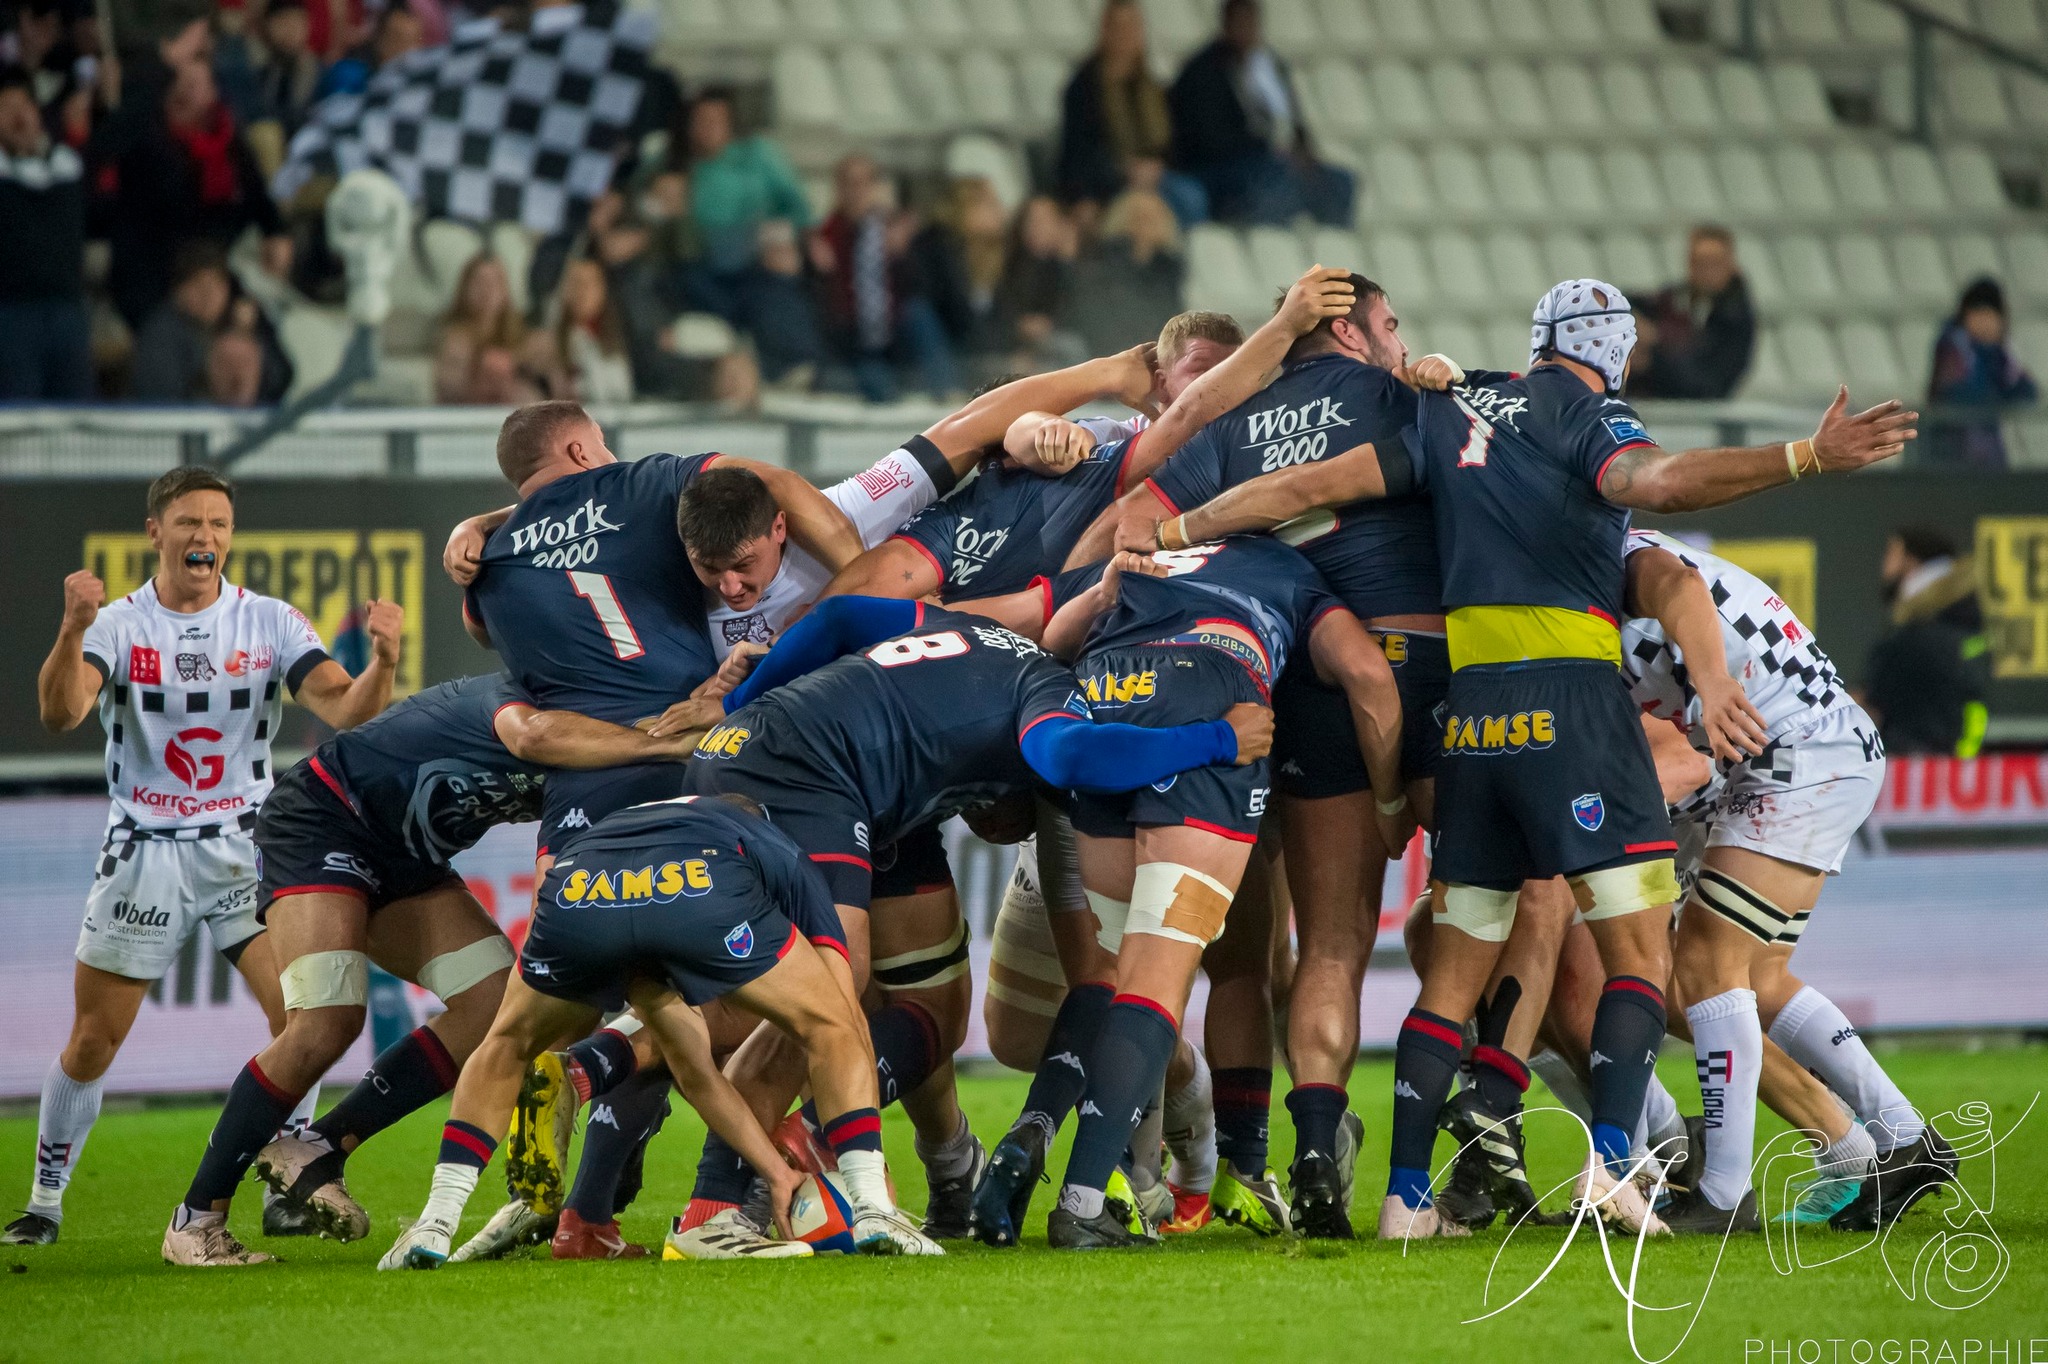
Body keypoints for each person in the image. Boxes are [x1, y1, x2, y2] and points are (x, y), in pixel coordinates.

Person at [1130, 277, 1917, 1238]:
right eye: (1391, 330)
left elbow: (1304, 486)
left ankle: (1407, 1194)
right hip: (1578, 706)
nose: (1402, 345)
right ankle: (1635, 1161)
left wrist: (1173, 532)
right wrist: (1802, 458)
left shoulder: (1452, 411)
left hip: (1467, 710)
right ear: (1618, 362)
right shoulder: (1587, 432)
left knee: (1435, 954)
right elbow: (1662, 534)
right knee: (1653, 959)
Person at [657, 593, 1272, 1256]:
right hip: (806, 776)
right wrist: (1220, 739)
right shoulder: (1048, 685)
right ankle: (742, 1208)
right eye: (998, 815)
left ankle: (671, 1152)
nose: (992, 827)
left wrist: (738, 699)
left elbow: (837, 619)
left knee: (786, 996)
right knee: (826, 999)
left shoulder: (967, 630)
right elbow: (1068, 757)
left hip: (734, 747)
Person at [159, 673, 698, 1264]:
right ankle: (196, 1219)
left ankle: (318, 1146)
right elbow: (531, 738)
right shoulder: (519, 702)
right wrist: (662, 743)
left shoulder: (600, 752)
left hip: (409, 860)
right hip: (322, 820)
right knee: (326, 1021)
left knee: (496, 1008)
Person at [4, 466, 401, 1248]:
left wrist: (384, 663)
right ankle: (44, 1204)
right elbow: (60, 713)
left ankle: (287, 1185)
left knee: (302, 1019)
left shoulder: (270, 623)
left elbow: (344, 708)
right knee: (92, 1041)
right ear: (156, 532)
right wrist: (70, 629)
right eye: (189, 523)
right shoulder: (117, 625)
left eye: (218, 525)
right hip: (146, 851)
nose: (205, 539)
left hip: (245, 852)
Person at [1004, 541, 1401, 1248]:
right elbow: (1367, 669)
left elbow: (1052, 640)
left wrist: (1103, 594)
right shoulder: (1292, 566)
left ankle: (1118, 1181)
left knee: (1127, 973)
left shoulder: (1144, 552)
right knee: (1163, 977)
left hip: (1105, 697)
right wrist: (1392, 793)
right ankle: (1086, 1199)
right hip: (1208, 683)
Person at [378, 791, 945, 1268]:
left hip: (579, 884)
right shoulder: (771, 843)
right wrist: (853, 1148)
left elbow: (696, 1073)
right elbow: (840, 1007)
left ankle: (435, 1221)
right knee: (834, 1025)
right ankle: (876, 1210)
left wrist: (774, 1172)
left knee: (505, 1044)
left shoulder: (625, 827)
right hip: (702, 884)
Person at [100, 60, 290, 330]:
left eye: (193, 85)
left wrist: (275, 231)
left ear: (213, 92)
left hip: (213, 265)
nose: (183, 92)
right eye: (177, 84)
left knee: (254, 325)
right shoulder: (147, 139)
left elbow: (255, 191)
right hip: (154, 270)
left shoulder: (229, 140)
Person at [1166, 0, 1353, 227]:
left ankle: (1329, 248)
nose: (1248, 30)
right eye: (1241, 23)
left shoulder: (1271, 65)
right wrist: (1267, 148)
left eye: (1252, 23)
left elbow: (1294, 121)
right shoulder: (1201, 73)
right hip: (1224, 169)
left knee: (1341, 182)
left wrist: (1302, 151)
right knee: (1277, 179)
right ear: (1226, 25)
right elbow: (1209, 141)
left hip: (1272, 163)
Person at [812, 154, 957, 402]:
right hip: (856, 342)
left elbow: (927, 287)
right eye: (849, 183)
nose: (856, 191)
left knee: (919, 313)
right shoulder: (826, 236)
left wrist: (904, 255)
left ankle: (951, 396)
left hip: (896, 330)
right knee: (876, 381)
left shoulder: (891, 228)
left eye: (863, 183)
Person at [1058, 0, 1204, 227]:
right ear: (1105, 31)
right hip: (1110, 183)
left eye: (1132, 28)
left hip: (1157, 177)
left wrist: (1156, 168)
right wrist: (1125, 170)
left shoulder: (1154, 90)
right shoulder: (1083, 90)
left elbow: (1174, 145)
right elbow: (1077, 155)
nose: (1126, 36)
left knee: (1191, 195)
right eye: (1119, 27)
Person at [0, 63, 93, 401]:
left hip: (67, 312)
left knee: (77, 413)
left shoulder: (67, 168)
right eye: (6, 109)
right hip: (11, 315)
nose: (18, 117)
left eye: (23, 107)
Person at [1865, 524, 1991, 757]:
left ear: (1910, 561)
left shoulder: (1913, 636)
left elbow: (1871, 703)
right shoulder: (1967, 621)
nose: (1885, 566)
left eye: (1892, 554)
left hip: (1915, 764)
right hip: (1951, 765)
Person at [684, 87, 811, 309]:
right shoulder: (679, 164)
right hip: (701, 260)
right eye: (701, 121)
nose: (708, 129)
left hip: (758, 254)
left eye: (716, 121)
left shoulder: (758, 153)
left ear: (730, 123)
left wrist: (781, 236)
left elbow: (798, 206)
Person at [1628, 226, 1757, 400]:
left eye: (1714, 263)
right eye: (1698, 263)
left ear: (1730, 264)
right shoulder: (1672, 299)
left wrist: (1654, 348)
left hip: (1697, 418)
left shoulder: (1736, 321)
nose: (1706, 271)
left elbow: (1707, 386)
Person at [1923, 277, 2038, 468]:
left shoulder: (2000, 353)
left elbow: (2027, 391)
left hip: (1985, 458)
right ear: (1968, 315)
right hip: (1950, 454)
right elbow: (1961, 396)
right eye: (1981, 314)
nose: (1988, 323)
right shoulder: (1954, 345)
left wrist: (1994, 351)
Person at [1066, 188, 1185, 358]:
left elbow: (1172, 314)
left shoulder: (1170, 268)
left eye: (1153, 219)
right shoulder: (1102, 261)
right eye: (1140, 218)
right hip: (1109, 349)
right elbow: (1094, 314)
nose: (1146, 226)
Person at [434, 254, 548, 405]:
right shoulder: (453, 340)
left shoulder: (525, 339)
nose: (487, 290)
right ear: (465, 288)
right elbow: (448, 390)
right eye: (479, 282)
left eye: (494, 282)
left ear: (505, 290)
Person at [128, 242, 233, 402]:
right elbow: (163, 405)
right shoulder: (160, 336)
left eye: (218, 284)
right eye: (200, 285)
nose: (209, 296)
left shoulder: (231, 328)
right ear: (178, 289)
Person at [550, 257, 634, 403]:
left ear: (603, 289)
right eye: (576, 283)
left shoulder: (624, 339)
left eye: (590, 283)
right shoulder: (549, 344)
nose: (582, 291)